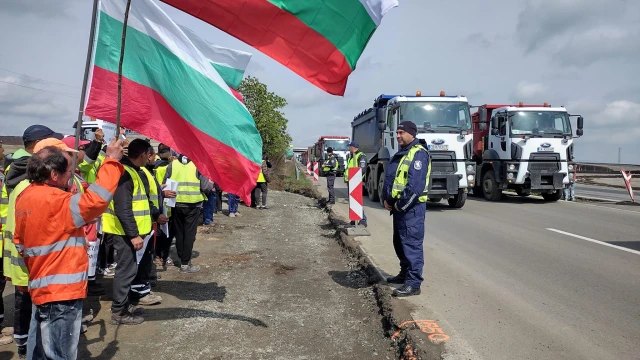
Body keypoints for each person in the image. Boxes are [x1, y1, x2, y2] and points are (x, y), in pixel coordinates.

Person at [13, 137, 124, 359]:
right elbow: (97, 200)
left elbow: (21, 243)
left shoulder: (26, 196)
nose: (70, 176)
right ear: (54, 174)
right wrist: (111, 161)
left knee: (41, 351)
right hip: (61, 292)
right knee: (59, 353)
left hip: (41, 285)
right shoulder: (55, 200)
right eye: (68, 171)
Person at [1, 125, 63, 358]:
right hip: (29, 255)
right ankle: (27, 344)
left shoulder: (21, 174)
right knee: (30, 305)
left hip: (22, 252)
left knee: (26, 304)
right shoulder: (31, 183)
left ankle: (24, 342)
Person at [103, 139, 163, 325]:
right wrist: (133, 235)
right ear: (144, 154)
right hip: (125, 233)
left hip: (134, 232)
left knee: (130, 270)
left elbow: (140, 203)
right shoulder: (125, 174)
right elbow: (123, 209)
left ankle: (125, 304)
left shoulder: (134, 172)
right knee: (126, 271)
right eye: (148, 154)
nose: (150, 157)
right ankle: (118, 312)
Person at [382, 121, 431, 297]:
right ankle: (404, 274)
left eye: (401, 132)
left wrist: (399, 205)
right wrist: (386, 199)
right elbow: (392, 179)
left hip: (411, 209)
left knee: (411, 245)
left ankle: (413, 283)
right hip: (399, 208)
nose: (398, 136)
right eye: (397, 132)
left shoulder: (418, 154)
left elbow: (415, 188)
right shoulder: (403, 152)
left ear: (412, 133)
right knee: (400, 243)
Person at [163, 154, 212, 273]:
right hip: (192, 205)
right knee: (189, 234)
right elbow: (206, 187)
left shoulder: (172, 165)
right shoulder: (198, 165)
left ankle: (181, 257)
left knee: (179, 233)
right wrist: (210, 186)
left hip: (176, 204)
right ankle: (185, 264)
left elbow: (164, 184)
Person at [153, 144, 174, 267]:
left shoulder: (153, 168)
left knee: (158, 234)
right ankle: (163, 256)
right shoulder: (169, 167)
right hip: (167, 204)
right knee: (166, 235)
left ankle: (158, 256)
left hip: (157, 205)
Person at [344, 141, 368, 227]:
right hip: (351, 182)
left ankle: (363, 220)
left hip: (356, 182)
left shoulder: (361, 156)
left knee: (356, 201)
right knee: (352, 201)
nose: (349, 148)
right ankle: (354, 221)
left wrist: (355, 180)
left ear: (353, 147)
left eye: (350, 147)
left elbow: (362, 169)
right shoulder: (351, 156)